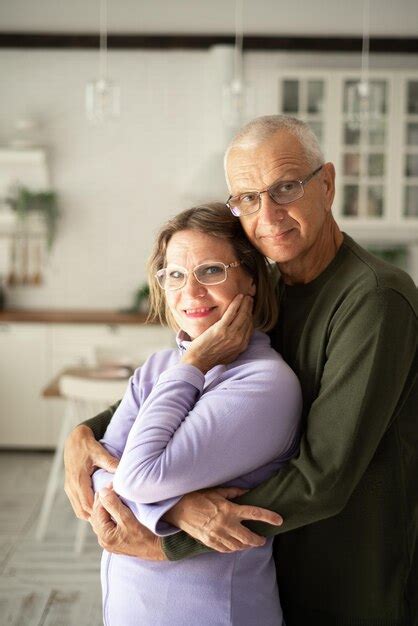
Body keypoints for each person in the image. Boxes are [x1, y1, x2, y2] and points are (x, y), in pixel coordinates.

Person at [64, 115, 418, 626]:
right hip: (271, 561)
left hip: (350, 569)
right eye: (248, 198)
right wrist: (88, 432)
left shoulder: (375, 298)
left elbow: (325, 475)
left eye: (286, 188)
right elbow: (199, 386)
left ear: (327, 184)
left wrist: (173, 531)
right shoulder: (270, 287)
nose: (268, 214)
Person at [90, 203, 302, 625]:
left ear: (251, 280)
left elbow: (136, 477)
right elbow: (101, 473)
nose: (191, 292)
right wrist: (174, 510)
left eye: (211, 271)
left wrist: (194, 365)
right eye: (175, 275)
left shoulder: (265, 384)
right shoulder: (157, 369)